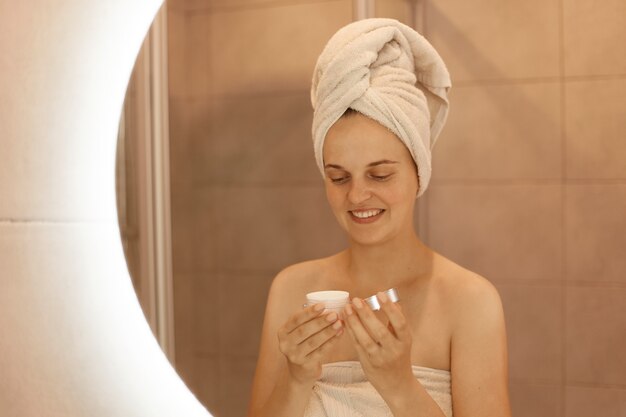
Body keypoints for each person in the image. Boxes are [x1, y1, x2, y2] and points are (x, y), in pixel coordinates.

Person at [247, 18, 511, 417]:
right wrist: (296, 378)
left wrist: (399, 385)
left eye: (380, 174)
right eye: (338, 177)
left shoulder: (471, 303)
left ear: (418, 173)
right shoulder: (291, 290)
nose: (356, 195)